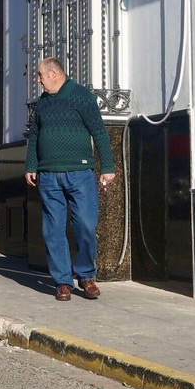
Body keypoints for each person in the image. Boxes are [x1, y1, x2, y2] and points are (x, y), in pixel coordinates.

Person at [24, 56, 115, 301]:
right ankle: (63, 282)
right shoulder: (43, 102)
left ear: (53, 74)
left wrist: (107, 167)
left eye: (40, 75)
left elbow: (98, 130)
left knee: (85, 224)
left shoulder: (81, 96)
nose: (38, 80)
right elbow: (35, 135)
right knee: (52, 230)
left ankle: (86, 276)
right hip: (48, 176)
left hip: (80, 173)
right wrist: (31, 165)